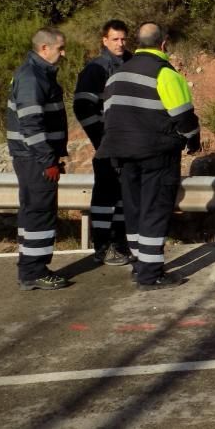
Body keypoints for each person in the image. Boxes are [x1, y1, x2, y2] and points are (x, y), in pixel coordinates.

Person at [97, 22, 200, 290]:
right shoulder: (165, 73)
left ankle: (139, 265)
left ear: (137, 43)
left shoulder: (116, 76)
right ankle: (151, 274)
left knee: (134, 209)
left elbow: (108, 116)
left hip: (122, 154)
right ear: (163, 44)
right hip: (156, 153)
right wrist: (193, 139)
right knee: (155, 209)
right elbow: (184, 117)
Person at [7, 28, 70, 290]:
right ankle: (34, 271)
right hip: (35, 158)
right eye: (60, 48)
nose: (64, 53)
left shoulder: (37, 73)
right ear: (45, 48)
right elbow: (31, 125)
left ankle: (30, 266)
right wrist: (48, 160)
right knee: (40, 213)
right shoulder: (33, 77)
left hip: (32, 156)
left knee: (33, 211)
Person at [74, 19, 133, 266]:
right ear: (104, 40)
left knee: (124, 197)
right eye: (115, 39)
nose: (120, 44)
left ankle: (120, 244)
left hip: (130, 145)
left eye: (123, 39)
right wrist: (102, 139)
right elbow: (82, 106)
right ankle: (102, 246)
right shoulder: (96, 69)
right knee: (105, 197)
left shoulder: (132, 64)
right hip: (108, 146)